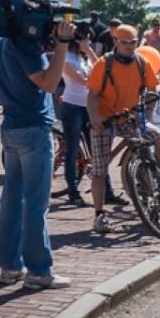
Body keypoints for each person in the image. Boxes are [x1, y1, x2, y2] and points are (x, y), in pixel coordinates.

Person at [0, 18, 77, 289]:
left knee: (12, 201)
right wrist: (63, 45)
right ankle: (39, 271)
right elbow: (49, 83)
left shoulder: (3, 41)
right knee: (35, 204)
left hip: (11, 127)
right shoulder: (24, 44)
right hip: (33, 129)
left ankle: (10, 267)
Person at [85, 25, 160, 235]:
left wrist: (148, 110)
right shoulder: (104, 64)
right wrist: (94, 118)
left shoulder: (142, 62)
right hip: (105, 118)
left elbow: (153, 87)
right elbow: (92, 95)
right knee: (99, 170)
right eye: (124, 42)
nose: (129, 47)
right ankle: (99, 214)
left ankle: (158, 180)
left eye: (133, 42)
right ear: (115, 41)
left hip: (130, 116)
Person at [60, 30, 102, 205]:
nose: (89, 40)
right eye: (86, 38)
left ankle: (105, 191)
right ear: (77, 40)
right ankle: (73, 191)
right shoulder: (66, 57)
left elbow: (100, 68)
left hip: (88, 106)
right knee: (72, 149)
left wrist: (90, 51)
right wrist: (96, 80)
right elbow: (82, 80)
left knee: (97, 150)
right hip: (72, 106)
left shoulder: (83, 57)